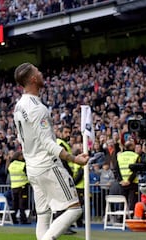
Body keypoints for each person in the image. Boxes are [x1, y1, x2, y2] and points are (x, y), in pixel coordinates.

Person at [13, 62, 89, 240]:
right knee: (74, 208)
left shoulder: (19, 106)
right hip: (48, 166)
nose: (41, 74)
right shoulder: (38, 109)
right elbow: (48, 143)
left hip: (32, 167)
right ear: (33, 78)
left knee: (43, 214)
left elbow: (21, 138)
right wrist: (74, 159)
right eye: (38, 72)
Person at [114, 140, 141, 211]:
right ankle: (131, 218)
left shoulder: (120, 156)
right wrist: (129, 180)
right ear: (132, 147)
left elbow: (116, 170)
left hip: (122, 183)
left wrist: (121, 180)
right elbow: (136, 170)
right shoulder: (136, 156)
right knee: (132, 201)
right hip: (132, 183)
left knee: (122, 202)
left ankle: (121, 218)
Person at [8, 151, 30, 224]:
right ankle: (23, 219)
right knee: (22, 204)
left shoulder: (10, 165)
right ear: (19, 156)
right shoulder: (23, 164)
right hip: (22, 186)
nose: (23, 157)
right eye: (22, 156)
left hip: (14, 187)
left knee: (15, 204)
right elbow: (28, 174)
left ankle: (13, 219)